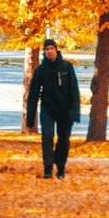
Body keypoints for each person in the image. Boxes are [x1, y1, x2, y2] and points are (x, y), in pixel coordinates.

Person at [26, 38, 81, 179]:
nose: (49, 51)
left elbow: (74, 90)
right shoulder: (41, 70)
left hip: (65, 110)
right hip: (48, 109)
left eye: (51, 48)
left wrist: (75, 112)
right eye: (47, 49)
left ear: (56, 49)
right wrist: (30, 118)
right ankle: (48, 169)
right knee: (47, 137)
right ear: (44, 52)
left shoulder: (66, 67)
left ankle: (61, 167)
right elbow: (33, 93)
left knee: (63, 140)